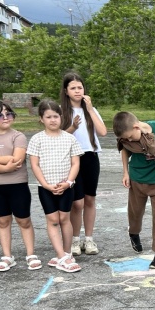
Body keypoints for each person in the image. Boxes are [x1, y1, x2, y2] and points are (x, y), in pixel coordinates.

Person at [113, 111, 155, 269]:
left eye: (130, 136)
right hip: (137, 179)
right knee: (135, 212)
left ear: (136, 127)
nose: (129, 140)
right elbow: (124, 150)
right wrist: (125, 172)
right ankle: (134, 233)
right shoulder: (127, 139)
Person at [0, 100, 41, 271]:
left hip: (18, 185)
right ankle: (7, 256)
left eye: (9, 113)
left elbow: (17, 160)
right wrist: (4, 166)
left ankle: (30, 254)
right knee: (3, 221)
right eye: (0, 115)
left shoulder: (18, 136)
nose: (5, 117)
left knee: (24, 220)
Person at [26, 99, 83, 273]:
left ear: (61, 117)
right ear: (41, 119)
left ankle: (65, 253)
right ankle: (61, 256)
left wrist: (68, 182)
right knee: (52, 220)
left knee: (64, 219)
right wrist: (46, 185)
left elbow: (75, 163)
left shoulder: (69, 138)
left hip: (66, 186)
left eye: (56, 116)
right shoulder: (37, 139)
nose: (53, 120)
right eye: (48, 117)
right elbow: (35, 164)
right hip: (47, 188)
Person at [60, 73, 107, 256]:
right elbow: (59, 137)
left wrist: (90, 108)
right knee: (76, 202)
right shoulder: (62, 111)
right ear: (66, 91)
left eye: (80, 87)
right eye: (73, 88)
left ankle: (88, 239)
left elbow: (102, 132)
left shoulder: (90, 110)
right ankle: (74, 239)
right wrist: (72, 126)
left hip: (90, 156)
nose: (77, 91)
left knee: (89, 199)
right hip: (72, 158)